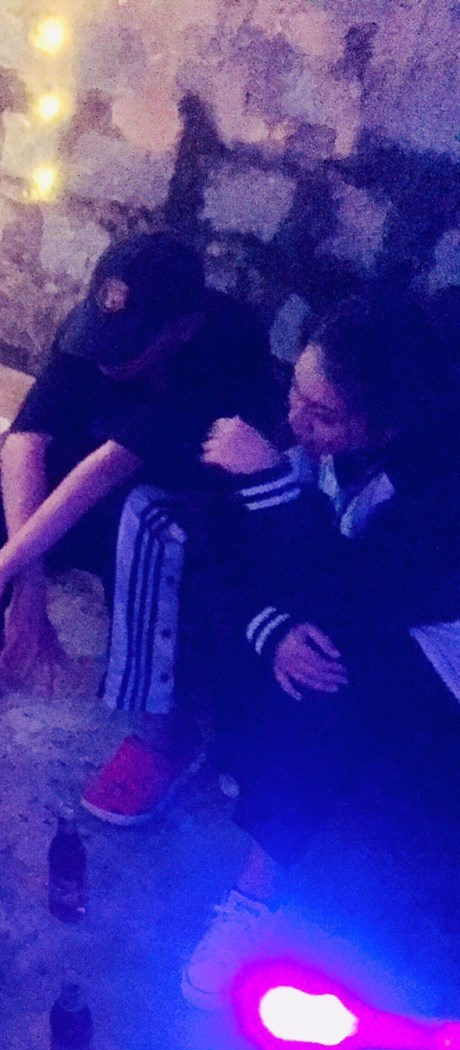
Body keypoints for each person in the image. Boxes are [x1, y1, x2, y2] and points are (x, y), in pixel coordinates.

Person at [0, 232, 281, 821]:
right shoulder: (96, 332)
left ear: (183, 329)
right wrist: (27, 594)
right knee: (1, 491)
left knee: (145, 529)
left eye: (127, 347)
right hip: (116, 472)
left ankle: (163, 738)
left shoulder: (223, 349)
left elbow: (107, 471)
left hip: (201, 501)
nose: (104, 356)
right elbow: (25, 441)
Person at [181, 296, 460, 1008]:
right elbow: (222, 538)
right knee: (264, 623)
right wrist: (266, 623)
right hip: (356, 598)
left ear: (384, 426)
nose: (299, 422)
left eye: (324, 416)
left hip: (433, 654)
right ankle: (252, 766)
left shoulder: (438, 487)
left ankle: (255, 891)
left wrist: (273, 484)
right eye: (296, 395)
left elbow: (358, 600)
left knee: (321, 671)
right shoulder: (314, 422)